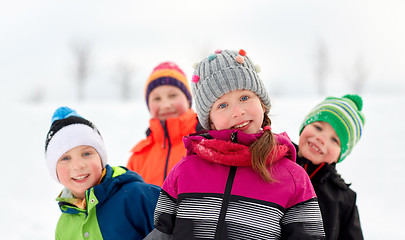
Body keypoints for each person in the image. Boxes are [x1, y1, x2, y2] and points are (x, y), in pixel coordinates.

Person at [146, 49, 325, 239]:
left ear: (262, 104)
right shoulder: (184, 171)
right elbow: (162, 234)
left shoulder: (294, 178)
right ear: (210, 121)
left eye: (245, 98)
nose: (237, 112)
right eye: (222, 105)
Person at [44, 106, 160, 240]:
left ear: (101, 158)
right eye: (65, 158)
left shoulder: (137, 196)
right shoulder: (64, 227)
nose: (78, 165)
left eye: (86, 154)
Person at [294, 94, 365, 239]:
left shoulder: (344, 199)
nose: (321, 138)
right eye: (318, 127)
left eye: (334, 139)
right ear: (305, 125)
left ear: (341, 154)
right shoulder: (272, 161)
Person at [127, 61, 202, 186]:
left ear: (188, 100)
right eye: (157, 98)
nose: (166, 105)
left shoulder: (208, 143)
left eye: (173, 95)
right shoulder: (138, 158)